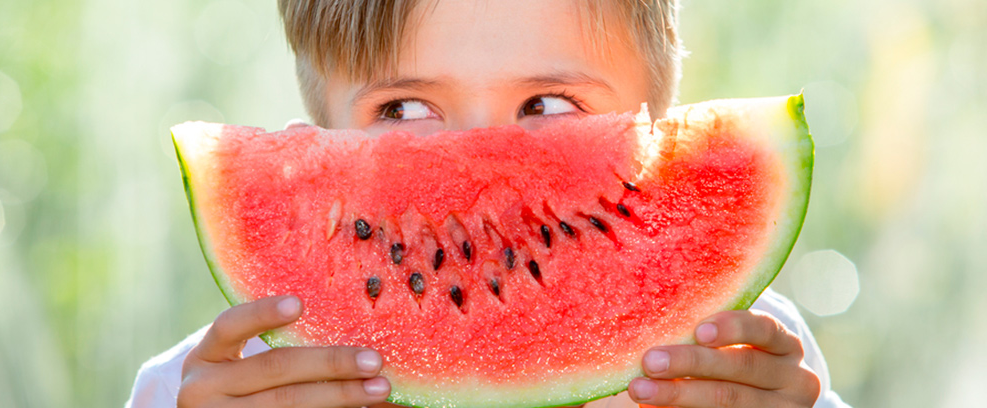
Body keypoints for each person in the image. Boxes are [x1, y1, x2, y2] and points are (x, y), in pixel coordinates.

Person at [129, 1, 852, 407]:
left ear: (651, 132)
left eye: (546, 103)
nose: (482, 162)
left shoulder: (729, 356)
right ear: (316, 145)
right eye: (406, 109)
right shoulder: (226, 384)